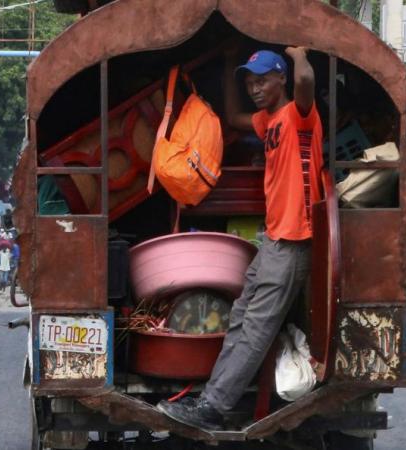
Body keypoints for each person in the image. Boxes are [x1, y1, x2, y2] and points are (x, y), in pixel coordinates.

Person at [158, 47, 323, 431]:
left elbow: (305, 82)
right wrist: (230, 57)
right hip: (274, 240)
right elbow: (233, 117)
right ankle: (211, 400)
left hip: (294, 241)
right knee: (240, 318)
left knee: (255, 329)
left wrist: (298, 55)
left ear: (281, 78)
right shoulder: (268, 121)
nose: (255, 88)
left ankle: (212, 408)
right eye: (250, 82)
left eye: (262, 79)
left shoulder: (301, 116)